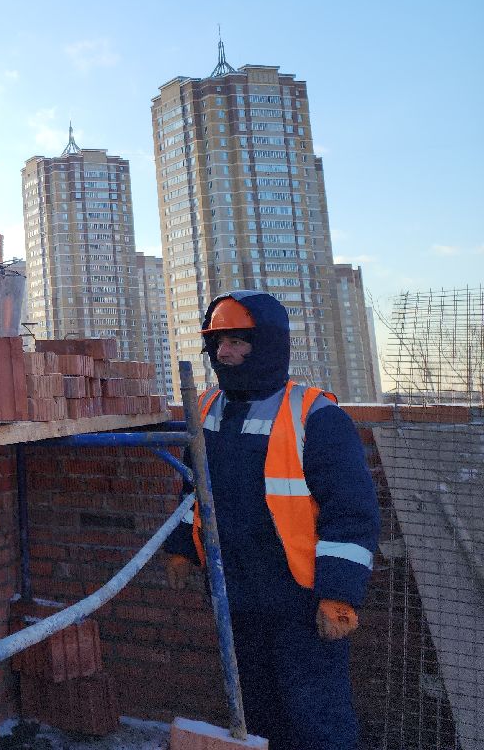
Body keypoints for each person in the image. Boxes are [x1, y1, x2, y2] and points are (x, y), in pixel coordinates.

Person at [162, 289, 380, 750]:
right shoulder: (206, 409)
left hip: (300, 601)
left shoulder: (316, 416)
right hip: (236, 593)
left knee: (315, 716)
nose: (224, 353)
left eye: (237, 341)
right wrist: (182, 550)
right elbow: (193, 492)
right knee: (257, 712)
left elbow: (352, 514)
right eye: (217, 342)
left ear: (266, 345)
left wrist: (339, 595)